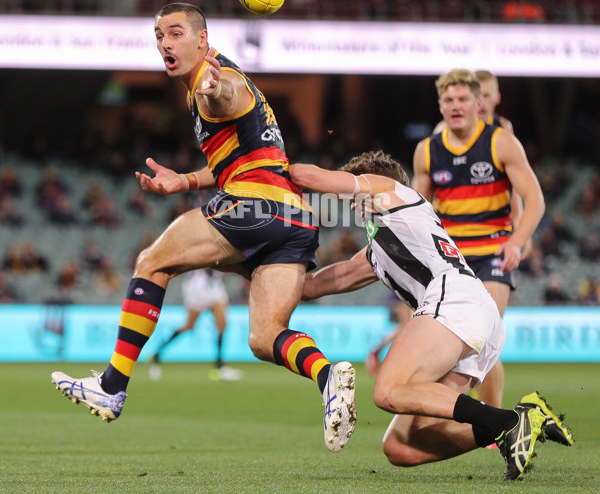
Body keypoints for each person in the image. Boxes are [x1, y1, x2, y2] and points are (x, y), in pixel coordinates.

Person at [51, 2, 356, 452]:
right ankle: (328, 376)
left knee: (152, 262)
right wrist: (186, 180)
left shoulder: (215, 79)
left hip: (254, 208)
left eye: (175, 33)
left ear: (202, 39)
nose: (164, 43)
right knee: (264, 337)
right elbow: (236, 158)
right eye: (158, 35)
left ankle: (112, 385)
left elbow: (226, 93)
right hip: (295, 218)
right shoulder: (211, 82)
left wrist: (213, 90)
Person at [289, 151, 573, 481]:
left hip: (454, 299)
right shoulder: (377, 248)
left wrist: (260, 168)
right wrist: (248, 259)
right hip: (466, 315)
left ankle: (506, 422)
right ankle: (519, 421)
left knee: (387, 391)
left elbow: (312, 178)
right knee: (401, 447)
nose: (352, 205)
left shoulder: (392, 192)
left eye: (355, 195)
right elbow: (310, 287)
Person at [413, 69, 545, 411]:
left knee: (482, 338)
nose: (456, 106)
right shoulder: (427, 151)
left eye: (463, 99)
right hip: (451, 260)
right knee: (452, 343)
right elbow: (417, 211)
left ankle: (493, 425)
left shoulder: (501, 141)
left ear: (478, 102)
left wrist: (516, 240)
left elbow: (535, 199)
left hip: (493, 254)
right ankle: (470, 417)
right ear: (440, 105)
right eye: (449, 100)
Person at [149, 268, 243, 381]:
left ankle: (220, 366)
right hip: (198, 286)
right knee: (189, 326)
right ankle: (157, 354)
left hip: (214, 285)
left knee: (222, 324)